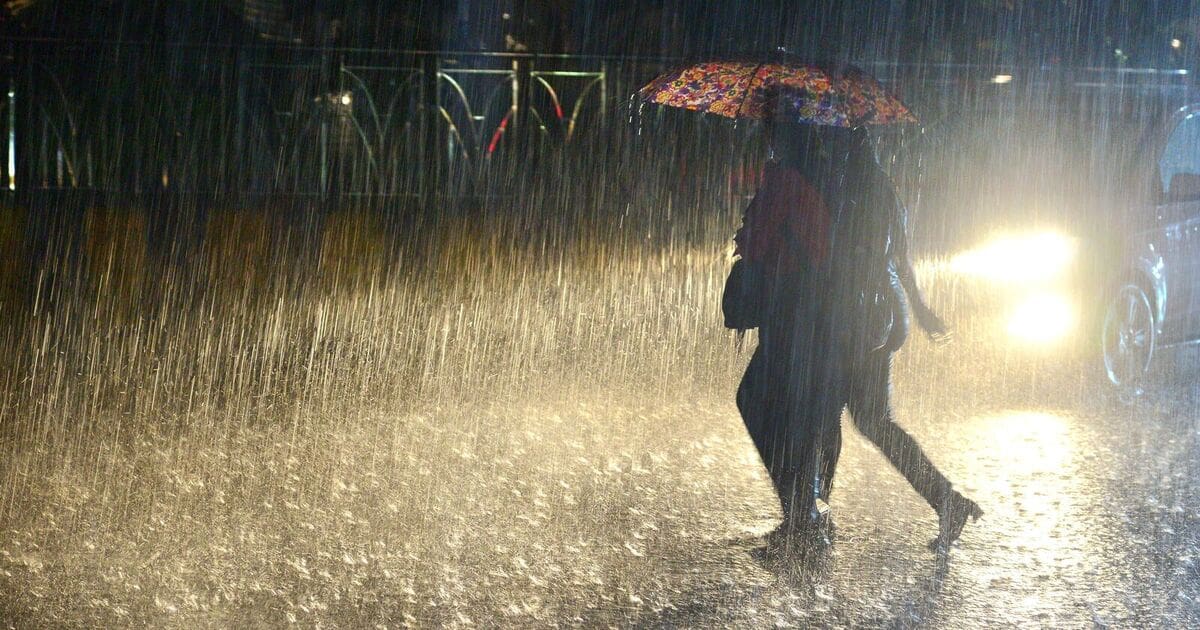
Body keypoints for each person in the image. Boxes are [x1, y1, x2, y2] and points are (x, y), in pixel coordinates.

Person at [732, 122, 981, 552]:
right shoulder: (879, 186)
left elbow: (854, 257)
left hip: (857, 318)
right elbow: (900, 257)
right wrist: (918, 309)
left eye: (841, 142)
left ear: (851, 146)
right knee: (869, 420)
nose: (833, 148)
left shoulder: (854, 189)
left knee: (824, 413)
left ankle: (810, 516)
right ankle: (943, 501)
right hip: (883, 314)